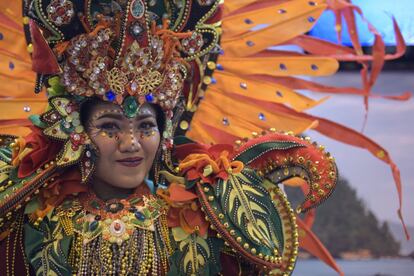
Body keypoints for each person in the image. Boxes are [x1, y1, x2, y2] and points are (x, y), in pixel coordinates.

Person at [0, 0, 407, 275]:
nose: (131, 143)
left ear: (166, 134)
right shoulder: (30, 215)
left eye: (146, 126)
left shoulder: (207, 219)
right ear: (77, 131)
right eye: (110, 127)